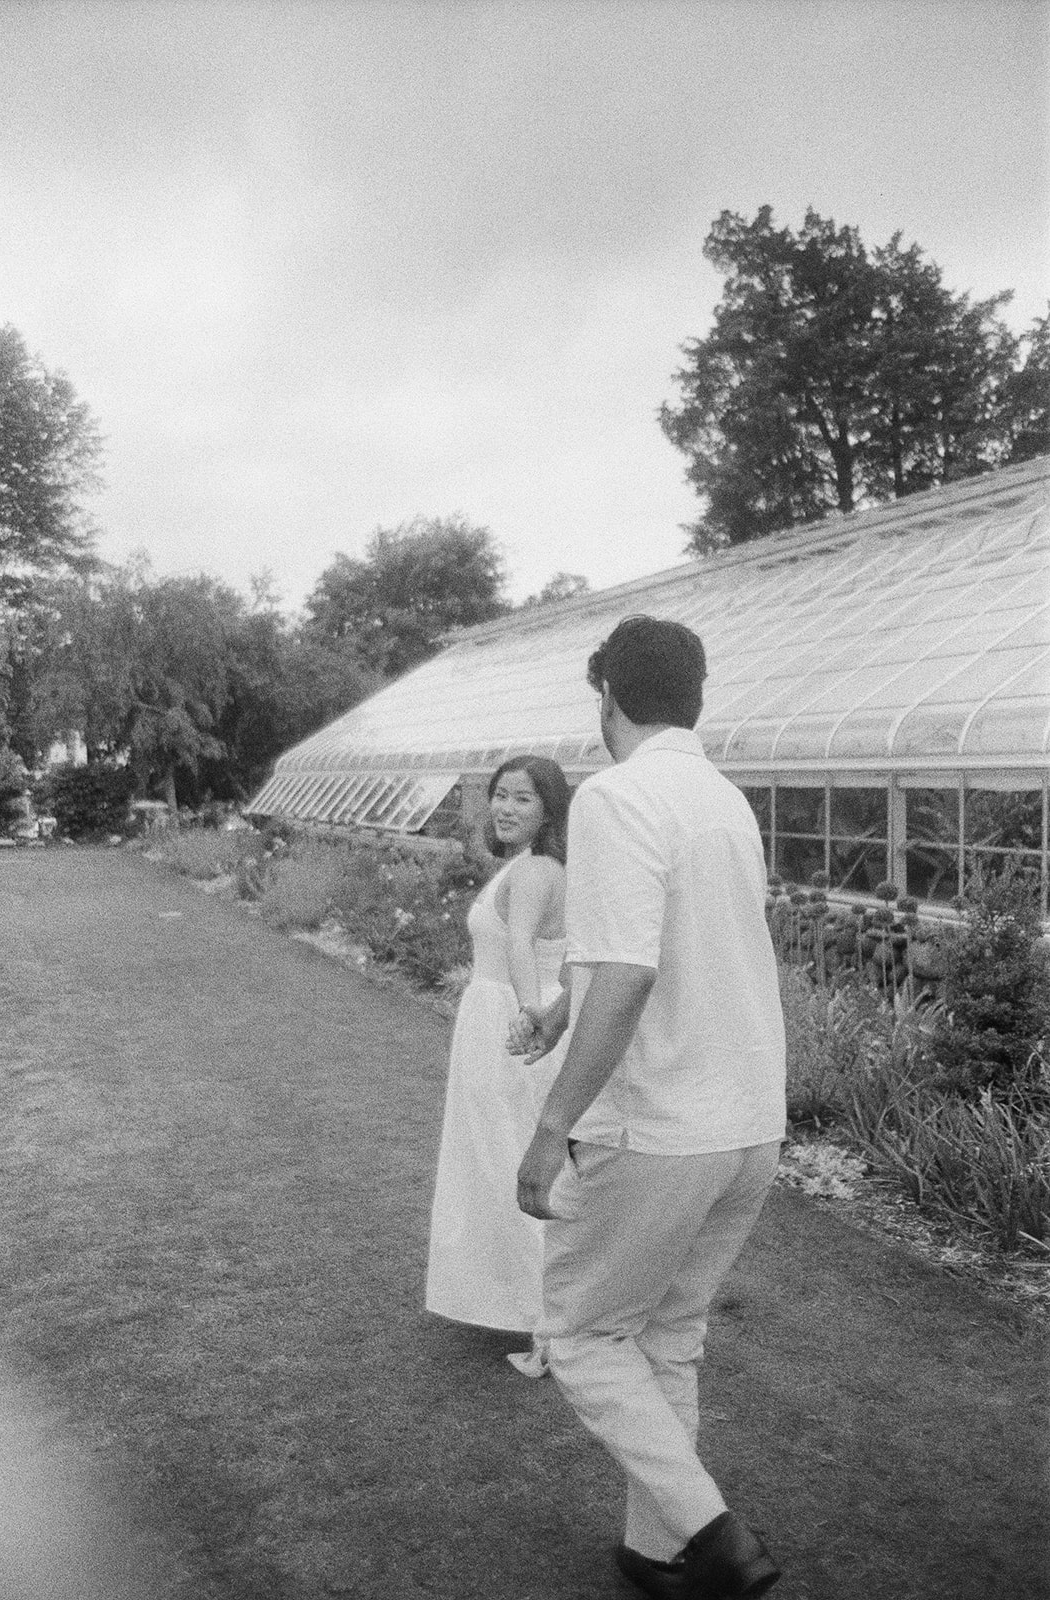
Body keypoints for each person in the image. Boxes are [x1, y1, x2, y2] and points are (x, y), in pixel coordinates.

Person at [513, 616, 786, 1598]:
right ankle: (654, 1550)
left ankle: (715, 1540)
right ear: (693, 699)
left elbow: (627, 974)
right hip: (747, 1122)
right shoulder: (722, 800)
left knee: (581, 1337)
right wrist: (561, 1003)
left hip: (659, 1125)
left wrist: (550, 1128)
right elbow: (662, 946)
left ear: (609, 698)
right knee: (667, 1337)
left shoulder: (615, 795)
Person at [425, 755, 571, 1375]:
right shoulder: (530, 864)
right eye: (501, 795)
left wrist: (527, 1011)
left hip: (507, 1027)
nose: (506, 808)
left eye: (523, 798)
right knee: (496, 1162)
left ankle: (552, 1332)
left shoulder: (536, 869)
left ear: (549, 810)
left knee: (510, 1161)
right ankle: (538, 1311)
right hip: (496, 1021)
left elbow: (519, 945)